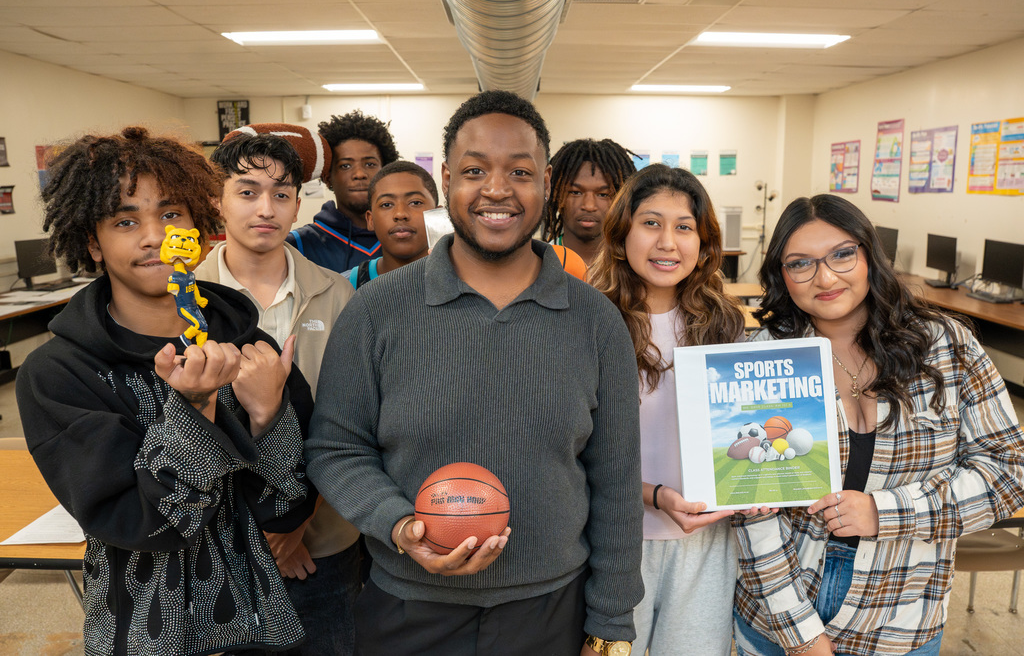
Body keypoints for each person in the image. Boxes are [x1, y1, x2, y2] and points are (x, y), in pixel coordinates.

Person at [305, 90, 644, 656]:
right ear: (446, 179)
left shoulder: (595, 322)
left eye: (519, 171)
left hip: (553, 611)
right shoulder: (376, 311)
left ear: (545, 181)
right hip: (407, 610)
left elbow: (615, 480)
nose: (496, 189)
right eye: (474, 170)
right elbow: (336, 448)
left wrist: (611, 624)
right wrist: (398, 525)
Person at [16, 126, 316, 656]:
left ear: (199, 229)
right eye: (126, 221)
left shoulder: (249, 346)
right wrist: (196, 409)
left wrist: (269, 414)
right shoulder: (60, 373)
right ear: (93, 242)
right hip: (149, 632)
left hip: (261, 624)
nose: (154, 236)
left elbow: (284, 509)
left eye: (171, 215)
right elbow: (144, 522)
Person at [733, 194, 1024, 656]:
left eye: (842, 254)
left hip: (902, 614)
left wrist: (884, 512)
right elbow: (751, 511)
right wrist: (800, 634)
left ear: (870, 255)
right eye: (800, 263)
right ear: (781, 276)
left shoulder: (947, 346)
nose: (825, 278)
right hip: (778, 608)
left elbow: (1010, 473)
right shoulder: (763, 355)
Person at [196, 130, 361, 656]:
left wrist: (295, 525)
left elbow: (348, 422)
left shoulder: (337, 293)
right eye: (247, 191)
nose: (266, 208)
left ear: (297, 206)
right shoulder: (182, 297)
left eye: (282, 194)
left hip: (323, 544)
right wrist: (265, 533)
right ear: (216, 201)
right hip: (218, 545)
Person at [590, 164, 747, 656]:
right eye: (651, 223)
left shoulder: (726, 325)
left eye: (684, 227)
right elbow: (567, 451)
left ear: (703, 243)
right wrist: (653, 496)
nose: (668, 242)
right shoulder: (590, 320)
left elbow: (745, 435)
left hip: (705, 541)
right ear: (623, 233)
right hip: (612, 537)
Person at [287, 110, 400, 273]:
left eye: (370, 164)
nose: (360, 174)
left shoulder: (406, 236)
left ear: (386, 172)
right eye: (345, 166)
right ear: (327, 177)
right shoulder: (298, 244)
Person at [541, 138, 636, 267]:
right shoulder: (537, 263)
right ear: (556, 193)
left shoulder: (633, 265)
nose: (589, 206)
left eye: (603, 194)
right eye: (576, 192)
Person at [345, 160, 439, 289]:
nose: (400, 214)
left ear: (438, 214)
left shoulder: (465, 280)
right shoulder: (346, 287)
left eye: (415, 202)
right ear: (370, 220)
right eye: (386, 205)